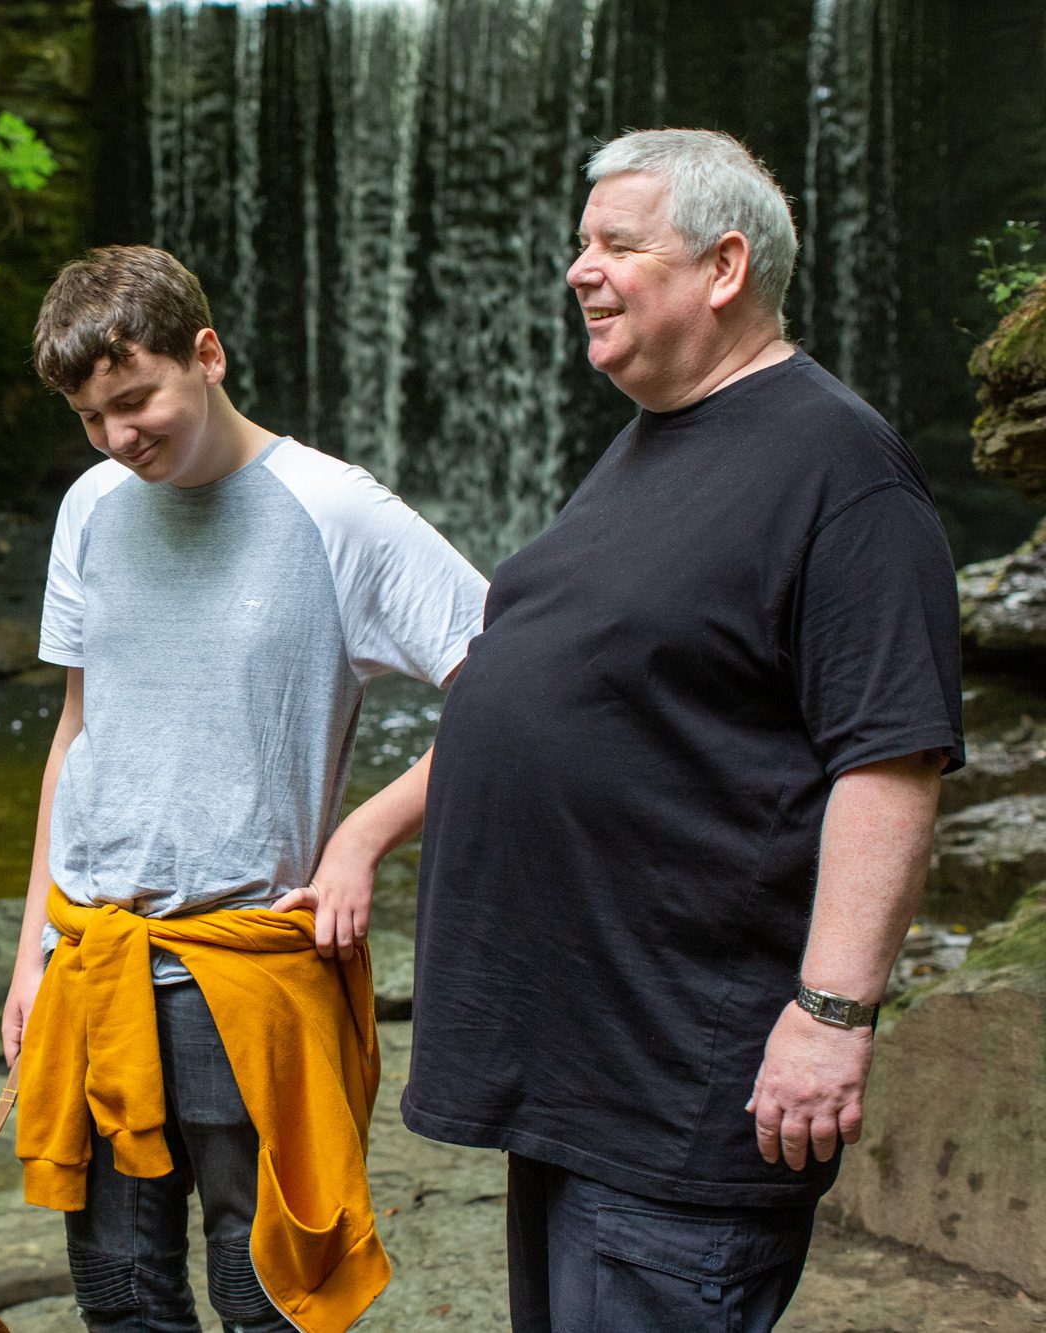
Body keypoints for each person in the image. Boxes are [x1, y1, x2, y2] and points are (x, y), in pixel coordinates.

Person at [404, 129, 964, 1332]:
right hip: (578, 1078)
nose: (577, 268)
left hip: (678, 1092)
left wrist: (828, 1017)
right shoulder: (650, 441)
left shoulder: (840, 469)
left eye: (615, 243)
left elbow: (890, 762)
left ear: (721, 267)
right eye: (578, 242)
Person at [3, 245, 489, 1333]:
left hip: (246, 966)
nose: (119, 437)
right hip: (94, 962)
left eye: (135, 400)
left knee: (263, 1291)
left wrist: (363, 834)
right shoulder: (89, 507)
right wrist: (32, 946)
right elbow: (79, 726)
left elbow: (509, 686)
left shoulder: (335, 511)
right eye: (91, 417)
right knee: (120, 1291)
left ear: (207, 354)